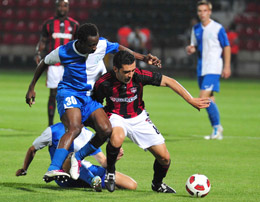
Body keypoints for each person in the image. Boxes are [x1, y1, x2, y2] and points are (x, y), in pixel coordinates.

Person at [25, 23, 161, 189]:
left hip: (89, 98)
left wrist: (143, 57)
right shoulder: (64, 51)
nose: (95, 47)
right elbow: (44, 62)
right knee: (74, 128)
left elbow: (120, 48)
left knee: (106, 130)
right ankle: (53, 168)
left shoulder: (101, 45)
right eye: (91, 45)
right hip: (70, 93)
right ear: (80, 42)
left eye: (96, 43)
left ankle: (77, 157)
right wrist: (31, 87)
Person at [72, 50, 210, 193]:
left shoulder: (139, 75)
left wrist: (191, 100)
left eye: (132, 70)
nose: (130, 74)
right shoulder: (103, 83)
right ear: (115, 69)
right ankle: (110, 172)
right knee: (117, 137)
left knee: (164, 158)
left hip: (139, 118)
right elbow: (95, 107)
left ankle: (157, 184)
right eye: (126, 72)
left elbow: (169, 81)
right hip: (115, 116)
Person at [15, 122, 137, 191]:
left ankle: (96, 183)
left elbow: (104, 162)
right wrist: (24, 169)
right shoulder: (53, 131)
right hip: (65, 175)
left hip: (84, 171)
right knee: (71, 157)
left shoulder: (88, 135)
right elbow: (32, 149)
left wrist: (114, 156)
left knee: (131, 185)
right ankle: (93, 181)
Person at [186, 0, 231, 140]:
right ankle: (216, 128)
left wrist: (227, 66)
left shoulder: (218, 28)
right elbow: (194, 46)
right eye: (200, 11)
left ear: (210, 12)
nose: (202, 13)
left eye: (205, 10)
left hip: (214, 67)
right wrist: (191, 48)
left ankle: (217, 127)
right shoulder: (196, 29)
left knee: (203, 98)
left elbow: (227, 46)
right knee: (210, 99)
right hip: (202, 68)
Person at [34, 0, 79, 126]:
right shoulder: (48, 24)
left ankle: (71, 122)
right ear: (56, 7)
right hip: (54, 65)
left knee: (70, 94)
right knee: (53, 94)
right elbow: (42, 41)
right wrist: (38, 52)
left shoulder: (74, 25)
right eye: (60, 6)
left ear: (68, 7)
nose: (62, 8)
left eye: (64, 6)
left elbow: (79, 44)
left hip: (69, 66)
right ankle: (50, 124)